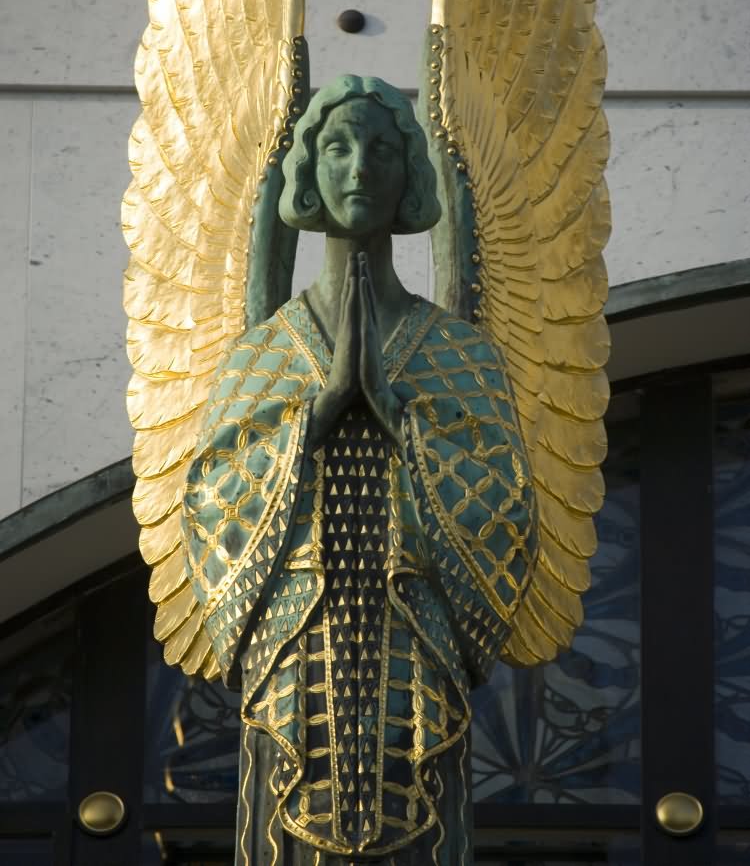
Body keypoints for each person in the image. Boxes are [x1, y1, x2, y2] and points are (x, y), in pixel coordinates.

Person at [182, 75, 538, 864]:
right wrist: (317, 411)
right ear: (307, 170)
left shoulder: (457, 352)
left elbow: (506, 506)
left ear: (410, 173)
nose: (358, 169)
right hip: (294, 647)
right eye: (337, 146)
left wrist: (399, 416)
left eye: (381, 148)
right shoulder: (265, 351)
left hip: (416, 645)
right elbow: (209, 499)